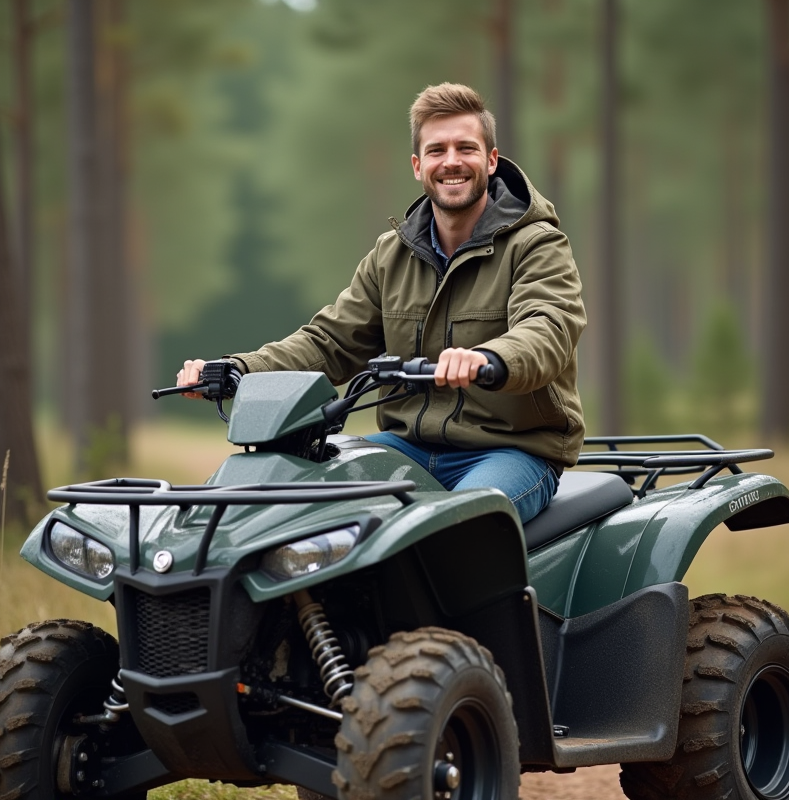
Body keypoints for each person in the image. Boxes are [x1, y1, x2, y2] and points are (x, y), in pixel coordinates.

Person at [178, 83, 585, 524]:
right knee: (297, 505)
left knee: (454, 529)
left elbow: (548, 328)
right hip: (406, 445)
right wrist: (238, 370)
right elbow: (328, 342)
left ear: (490, 159)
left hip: (512, 450)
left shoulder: (537, 245)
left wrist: (488, 358)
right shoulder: (391, 254)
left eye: (465, 148)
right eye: (437, 150)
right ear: (417, 165)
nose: (451, 161)